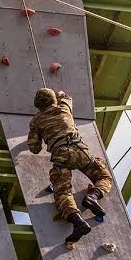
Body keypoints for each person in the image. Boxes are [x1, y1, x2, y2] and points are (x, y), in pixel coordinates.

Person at [27, 88, 113, 244]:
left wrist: (39, 133)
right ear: (54, 100)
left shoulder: (36, 121)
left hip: (62, 157)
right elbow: (66, 96)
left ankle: (78, 221)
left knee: (63, 192)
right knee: (103, 176)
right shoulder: (64, 107)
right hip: (80, 151)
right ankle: (92, 196)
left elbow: (34, 148)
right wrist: (60, 96)